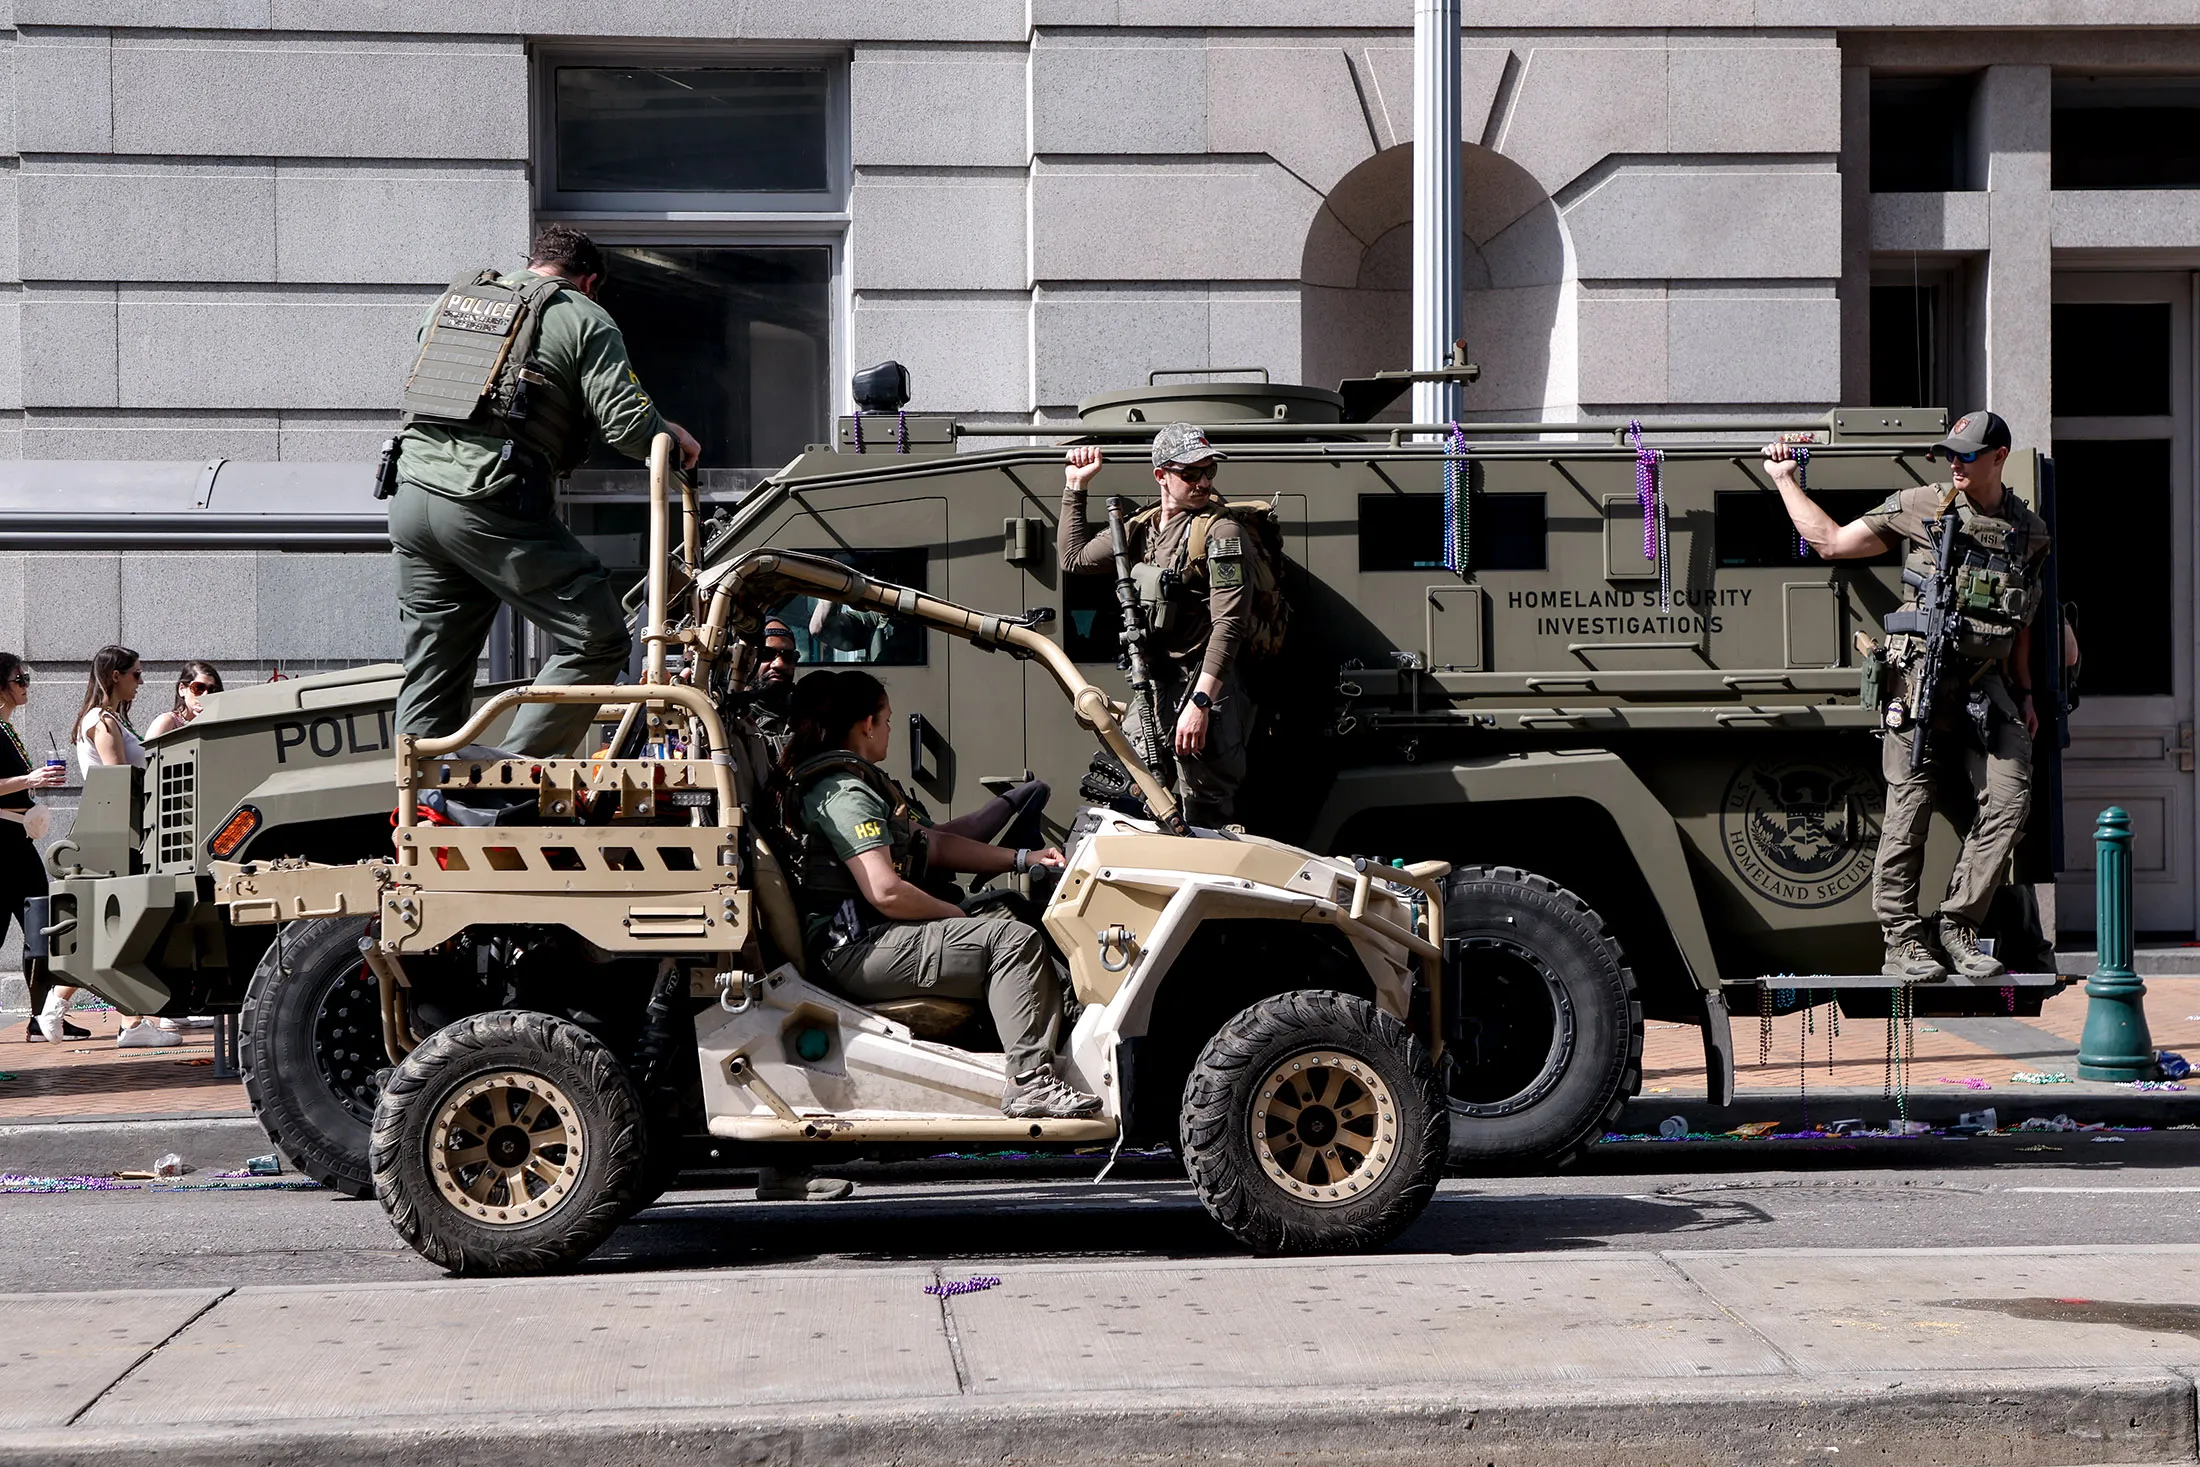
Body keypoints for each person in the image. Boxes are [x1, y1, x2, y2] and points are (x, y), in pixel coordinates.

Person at [389, 224, 702, 760]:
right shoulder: (583, 314)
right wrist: (671, 435)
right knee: (599, 636)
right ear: (590, 281)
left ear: (532, 261)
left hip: (412, 498)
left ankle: (419, 807)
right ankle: (513, 778)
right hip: (486, 501)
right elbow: (628, 427)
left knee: (434, 664)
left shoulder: (454, 304)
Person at [1764, 410, 2049, 981]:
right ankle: (1901, 939)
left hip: (1985, 684)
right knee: (1909, 805)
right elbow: (1832, 543)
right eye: (1950, 455)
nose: (1955, 463)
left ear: (1999, 457)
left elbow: (2023, 621)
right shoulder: (1922, 506)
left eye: (1967, 455)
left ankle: (1959, 926)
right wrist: (1784, 480)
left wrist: (2025, 692)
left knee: (2012, 797)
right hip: (1921, 678)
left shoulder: (2029, 530)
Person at [785, 670, 1097, 1119]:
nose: (890, 729)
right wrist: (954, 914)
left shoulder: (856, 784)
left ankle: (1060, 1031)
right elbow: (886, 891)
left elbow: (935, 843)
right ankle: (1031, 1082)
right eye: (887, 720)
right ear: (866, 724)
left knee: (1007, 908)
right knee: (1010, 941)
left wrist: (1022, 858)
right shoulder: (844, 792)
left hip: (867, 936)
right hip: (855, 946)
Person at [1059, 424, 1257, 827]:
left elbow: (1229, 623)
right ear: (1161, 475)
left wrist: (1201, 703)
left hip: (1204, 689)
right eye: (1191, 473)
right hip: (1152, 688)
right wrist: (1076, 487)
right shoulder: (1140, 527)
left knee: (1204, 812)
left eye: (1209, 471)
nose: (1203, 482)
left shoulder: (1221, 531)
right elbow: (1073, 559)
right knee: (1134, 790)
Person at [71, 646, 179, 1046]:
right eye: (135, 673)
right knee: (125, 921)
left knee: (129, 922)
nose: (141, 680)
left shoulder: (114, 719)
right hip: (118, 831)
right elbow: (119, 777)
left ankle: (132, 1019)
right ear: (114, 676)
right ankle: (129, 1022)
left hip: (126, 827)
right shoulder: (101, 721)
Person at [0, 655, 77, 1043]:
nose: (26, 684)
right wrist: (29, 778)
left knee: (40, 926)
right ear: (2, 685)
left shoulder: (7, 729)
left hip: (18, 842)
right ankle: (41, 1012)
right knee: (35, 924)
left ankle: (42, 1013)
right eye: (20, 678)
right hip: (2, 845)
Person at [146, 660, 222, 739]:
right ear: (182, 689)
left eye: (212, 689)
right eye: (198, 688)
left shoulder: (217, 724)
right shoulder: (167, 721)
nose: (205, 694)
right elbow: (148, 751)